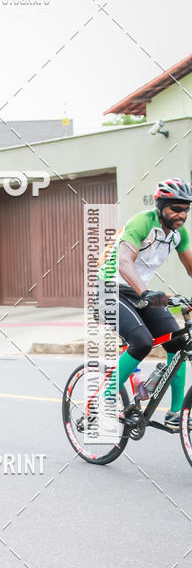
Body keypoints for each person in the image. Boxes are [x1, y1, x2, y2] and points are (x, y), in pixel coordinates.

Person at [98, 178, 192, 431]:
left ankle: (176, 414)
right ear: (160, 206)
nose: (181, 214)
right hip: (109, 289)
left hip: (140, 292)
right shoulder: (143, 223)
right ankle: (104, 399)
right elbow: (124, 261)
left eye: (186, 209)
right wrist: (146, 292)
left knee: (177, 341)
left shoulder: (177, 234)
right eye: (175, 208)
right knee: (142, 342)